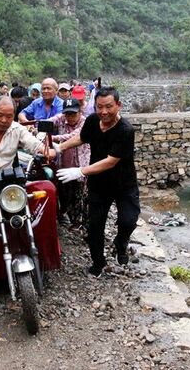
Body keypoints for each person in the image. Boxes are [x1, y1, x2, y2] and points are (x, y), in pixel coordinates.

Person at [56, 87, 139, 277]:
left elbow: (111, 161)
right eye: (99, 107)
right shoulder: (93, 120)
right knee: (95, 226)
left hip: (124, 184)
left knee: (129, 220)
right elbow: (82, 138)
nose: (104, 112)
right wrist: (60, 147)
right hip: (99, 185)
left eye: (109, 107)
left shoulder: (125, 130)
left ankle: (121, 242)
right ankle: (98, 263)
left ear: (119, 105)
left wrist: (80, 171)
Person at [48, 98, 89, 227]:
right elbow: (48, 122)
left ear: (80, 112)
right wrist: (38, 128)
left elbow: (74, 136)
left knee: (79, 194)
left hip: (80, 165)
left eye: (73, 114)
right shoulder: (62, 119)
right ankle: (64, 215)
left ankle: (78, 221)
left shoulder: (85, 122)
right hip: (64, 164)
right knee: (64, 192)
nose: (70, 117)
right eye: (68, 114)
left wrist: (53, 138)